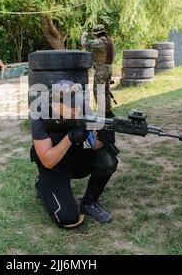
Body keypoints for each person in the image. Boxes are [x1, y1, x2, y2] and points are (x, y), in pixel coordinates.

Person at [29, 80, 118, 229]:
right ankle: (42, 184)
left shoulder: (81, 107)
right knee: (68, 218)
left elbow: (94, 145)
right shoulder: (39, 115)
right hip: (53, 165)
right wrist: (69, 138)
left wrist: (104, 138)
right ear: (55, 105)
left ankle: (89, 202)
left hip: (75, 158)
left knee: (108, 161)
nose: (77, 113)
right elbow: (48, 160)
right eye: (71, 110)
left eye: (78, 108)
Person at [81, 24, 116, 118]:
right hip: (109, 68)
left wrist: (84, 35)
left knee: (98, 91)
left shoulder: (100, 42)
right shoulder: (110, 40)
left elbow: (84, 43)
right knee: (106, 91)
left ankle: (101, 113)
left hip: (102, 69)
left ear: (96, 34)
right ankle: (108, 112)